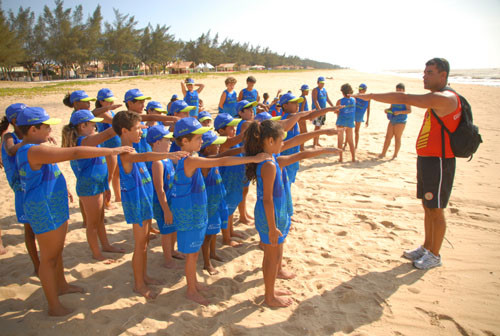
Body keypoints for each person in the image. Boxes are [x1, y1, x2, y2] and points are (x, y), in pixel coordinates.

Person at [15, 107, 134, 316]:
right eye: (46, 127)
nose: (50, 130)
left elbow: (50, 171)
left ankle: (61, 286)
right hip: (44, 208)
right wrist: (113, 151)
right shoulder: (32, 150)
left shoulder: (35, 147)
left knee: (56, 253)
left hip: (53, 203)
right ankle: (54, 305)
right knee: (49, 258)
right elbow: (75, 152)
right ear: (33, 129)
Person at [354, 58, 462, 270]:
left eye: (429, 72)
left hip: (440, 161)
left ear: (443, 76)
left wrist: (372, 96)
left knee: (436, 209)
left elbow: (403, 98)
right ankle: (427, 247)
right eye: (424, 71)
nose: (424, 75)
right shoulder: (437, 96)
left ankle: (435, 254)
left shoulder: (445, 98)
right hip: (428, 160)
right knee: (427, 206)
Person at [170, 117, 270, 305]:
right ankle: (191, 290)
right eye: (198, 138)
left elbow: (218, 157)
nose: (202, 141)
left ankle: (195, 283)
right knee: (191, 256)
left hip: (196, 213)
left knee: (194, 253)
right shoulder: (189, 161)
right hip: (189, 216)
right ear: (184, 141)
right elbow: (222, 161)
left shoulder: (192, 158)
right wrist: (253, 158)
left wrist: (245, 151)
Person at [244, 120, 340, 307]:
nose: (283, 145)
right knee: (271, 257)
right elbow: (267, 200)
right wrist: (272, 228)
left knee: (274, 254)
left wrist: (325, 150)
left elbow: (301, 154)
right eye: (281, 141)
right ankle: (269, 297)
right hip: (269, 216)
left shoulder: (274, 159)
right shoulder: (269, 165)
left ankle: (270, 290)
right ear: (270, 141)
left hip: (275, 213)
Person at [112, 111, 188, 299]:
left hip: (144, 202)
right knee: (140, 246)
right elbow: (144, 157)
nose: (141, 132)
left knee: (144, 243)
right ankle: (139, 284)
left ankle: (144, 276)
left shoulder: (133, 148)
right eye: (137, 129)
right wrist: (168, 154)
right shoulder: (125, 153)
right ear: (124, 131)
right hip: (136, 205)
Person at [61, 109, 125, 262]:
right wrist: (124, 122)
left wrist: (106, 186)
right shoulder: (83, 141)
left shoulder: (88, 141)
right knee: (93, 223)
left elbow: (100, 165)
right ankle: (96, 253)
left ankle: (105, 245)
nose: (95, 128)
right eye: (92, 125)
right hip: (89, 188)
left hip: (98, 184)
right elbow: (108, 134)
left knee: (100, 219)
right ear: (82, 126)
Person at [0, 103, 40, 271]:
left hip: (34, 184)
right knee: (29, 229)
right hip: (21, 188)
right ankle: (36, 266)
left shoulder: (31, 136)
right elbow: (10, 150)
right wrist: (29, 141)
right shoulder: (9, 136)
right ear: (15, 120)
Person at [147, 125, 183, 269]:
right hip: (163, 203)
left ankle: (172, 251)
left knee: (173, 228)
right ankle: (167, 259)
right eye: (167, 140)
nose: (170, 143)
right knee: (166, 232)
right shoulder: (157, 162)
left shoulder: (166, 159)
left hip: (171, 200)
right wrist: (166, 210)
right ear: (156, 143)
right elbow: (159, 189)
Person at [94, 88, 122, 208]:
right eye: (108, 101)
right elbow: (115, 123)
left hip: (115, 145)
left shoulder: (110, 112)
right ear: (101, 101)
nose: (111, 103)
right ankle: (106, 202)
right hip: (108, 146)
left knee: (117, 174)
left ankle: (118, 197)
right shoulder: (102, 113)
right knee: (109, 176)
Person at [379, 83, 412, 159]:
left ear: (403, 90)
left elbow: (409, 110)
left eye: (400, 90)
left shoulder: (406, 100)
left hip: (401, 120)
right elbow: (391, 108)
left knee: (397, 138)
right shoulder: (393, 99)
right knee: (388, 137)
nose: (398, 92)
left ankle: (395, 155)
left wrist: (400, 112)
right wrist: (387, 110)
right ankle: (383, 153)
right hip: (392, 119)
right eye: (397, 90)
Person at [311, 76, 335, 148]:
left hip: (323, 111)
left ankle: (317, 142)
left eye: (323, 83)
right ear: (318, 83)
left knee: (319, 127)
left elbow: (327, 99)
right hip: (318, 111)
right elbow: (315, 100)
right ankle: (314, 143)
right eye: (321, 83)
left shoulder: (324, 90)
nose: (322, 84)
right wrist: (320, 110)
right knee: (317, 127)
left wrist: (333, 107)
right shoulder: (315, 90)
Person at [335, 84, 357, 162]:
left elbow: (336, 111)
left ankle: (341, 158)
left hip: (341, 121)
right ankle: (353, 158)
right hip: (350, 121)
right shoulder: (354, 100)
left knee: (340, 141)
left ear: (342, 92)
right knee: (351, 141)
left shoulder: (340, 101)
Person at [354, 83, 371, 149]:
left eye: (361, 89)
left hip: (360, 116)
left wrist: (367, 120)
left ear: (365, 90)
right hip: (353, 114)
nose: (360, 90)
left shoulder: (368, 98)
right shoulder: (356, 96)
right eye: (359, 89)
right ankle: (346, 144)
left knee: (356, 131)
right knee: (348, 129)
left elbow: (368, 109)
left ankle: (356, 146)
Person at [298, 84, 311, 151]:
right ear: (304, 91)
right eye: (307, 90)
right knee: (304, 132)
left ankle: (301, 147)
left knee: (302, 132)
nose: (308, 92)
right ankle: (301, 147)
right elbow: (302, 109)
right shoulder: (303, 98)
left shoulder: (300, 98)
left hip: (300, 116)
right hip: (302, 117)